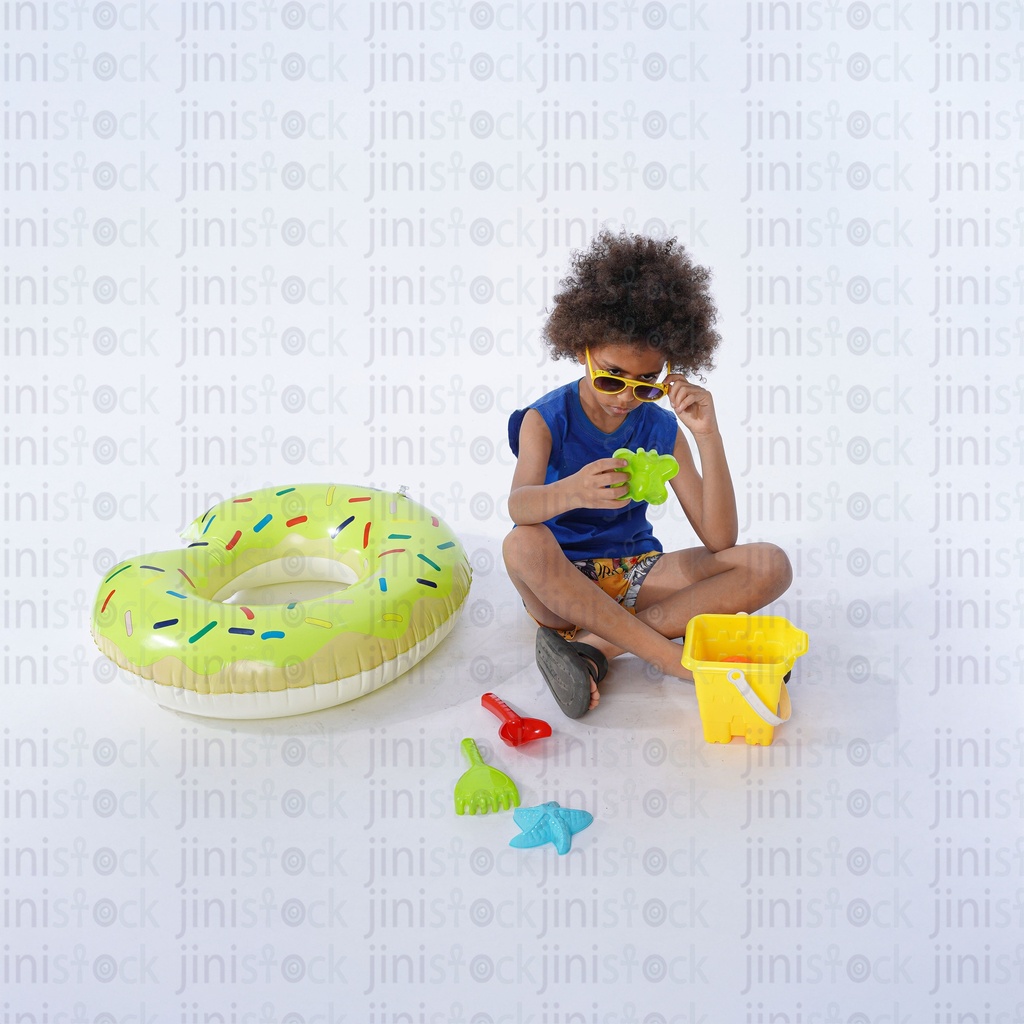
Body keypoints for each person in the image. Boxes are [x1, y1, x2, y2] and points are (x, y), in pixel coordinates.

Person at [502, 231, 793, 718]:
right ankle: (671, 658)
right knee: (521, 543)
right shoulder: (546, 419)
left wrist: (707, 434)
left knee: (770, 564)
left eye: (645, 385)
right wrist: (573, 491)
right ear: (582, 349)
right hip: (562, 585)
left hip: (636, 573)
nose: (624, 398)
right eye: (611, 377)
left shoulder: (660, 428)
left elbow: (720, 539)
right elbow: (519, 506)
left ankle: (598, 646)